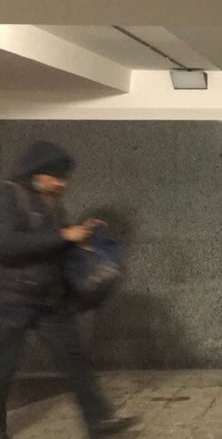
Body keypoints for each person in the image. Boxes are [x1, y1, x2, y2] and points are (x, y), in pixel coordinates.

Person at [0, 141, 138, 439]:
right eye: (55, 177)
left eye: (63, 178)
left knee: (76, 360)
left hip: (50, 299)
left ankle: (99, 421)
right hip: (13, 300)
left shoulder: (50, 203)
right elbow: (6, 244)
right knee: (4, 365)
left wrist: (83, 237)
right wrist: (64, 235)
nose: (61, 183)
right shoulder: (8, 195)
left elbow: (57, 245)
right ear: (36, 172)